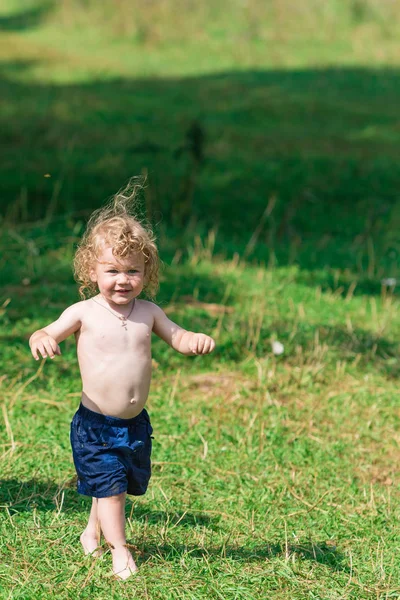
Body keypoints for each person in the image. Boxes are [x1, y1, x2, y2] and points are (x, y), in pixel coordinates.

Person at [28, 180, 216, 580]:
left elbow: (177, 337)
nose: (122, 280)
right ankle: (120, 551)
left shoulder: (149, 312)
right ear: (91, 270)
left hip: (135, 424)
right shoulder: (83, 312)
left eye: (133, 271)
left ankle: (91, 534)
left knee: (113, 485)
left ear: (147, 272)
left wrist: (193, 340)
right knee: (110, 487)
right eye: (112, 270)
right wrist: (42, 339)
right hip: (96, 425)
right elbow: (45, 331)